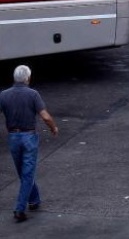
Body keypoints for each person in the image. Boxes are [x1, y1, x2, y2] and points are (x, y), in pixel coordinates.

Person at [0, 65, 59, 223]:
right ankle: (20, 209)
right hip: (29, 137)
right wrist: (53, 127)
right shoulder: (33, 94)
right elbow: (45, 116)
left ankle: (34, 200)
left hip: (13, 137)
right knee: (27, 173)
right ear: (27, 78)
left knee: (23, 172)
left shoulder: (3, 95)